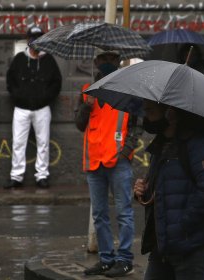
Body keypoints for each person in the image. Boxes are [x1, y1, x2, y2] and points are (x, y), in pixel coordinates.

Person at [134, 100, 204, 280]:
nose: (145, 107)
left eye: (153, 104)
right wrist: (143, 190)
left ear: (171, 110)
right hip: (163, 246)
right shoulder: (161, 144)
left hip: (192, 247)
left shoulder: (199, 144)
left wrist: (182, 225)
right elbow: (166, 191)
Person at [82, 50, 142, 278]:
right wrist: (87, 106)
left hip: (118, 162)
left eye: (111, 59)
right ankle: (106, 259)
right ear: (96, 62)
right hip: (95, 161)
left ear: (118, 62)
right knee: (99, 214)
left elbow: (137, 125)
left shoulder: (129, 91)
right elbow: (79, 123)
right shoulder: (89, 91)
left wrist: (126, 152)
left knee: (124, 212)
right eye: (103, 59)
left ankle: (125, 259)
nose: (107, 62)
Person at [5, 26, 62, 189]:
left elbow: (56, 84)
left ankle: (42, 176)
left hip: (42, 108)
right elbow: (10, 82)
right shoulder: (19, 59)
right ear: (28, 40)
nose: (35, 42)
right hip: (21, 108)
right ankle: (16, 176)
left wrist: (45, 98)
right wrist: (18, 96)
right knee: (18, 142)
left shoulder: (49, 60)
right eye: (33, 38)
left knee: (43, 142)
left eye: (39, 38)